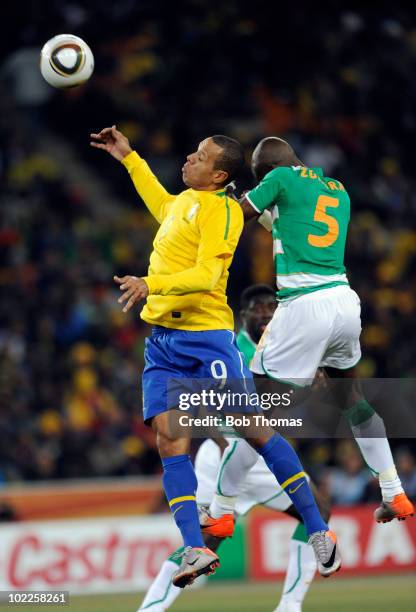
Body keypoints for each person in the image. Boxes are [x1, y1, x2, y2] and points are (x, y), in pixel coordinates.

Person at [90, 127, 341, 586]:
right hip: (163, 340)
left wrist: (152, 284)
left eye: (199, 156)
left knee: (255, 430)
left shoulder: (223, 211)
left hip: (206, 337)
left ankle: (320, 529)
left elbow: (207, 276)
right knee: (169, 441)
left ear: (218, 173)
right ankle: (194, 548)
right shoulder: (184, 202)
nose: (188, 158)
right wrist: (129, 158)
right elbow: (160, 203)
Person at [209, 136, 414, 528]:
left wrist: (221, 202)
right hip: (343, 301)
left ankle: (218, 512)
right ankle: (394, 492)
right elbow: (290, 225)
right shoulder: (337, 190)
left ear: (265, 171)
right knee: (354, 401)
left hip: (303, 303)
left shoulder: (278, 177)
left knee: (249, 416)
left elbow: (237, 217)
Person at [138, 284, 328, 612]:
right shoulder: (231, 347)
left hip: (257, 459)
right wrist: (224, 440)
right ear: (245, 316)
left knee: (319, 510)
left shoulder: (283, 350)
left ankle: (289, 606)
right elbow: (200, 403)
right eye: (260, 308)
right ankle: (150, 608)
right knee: (207, 540)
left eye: (272, 306)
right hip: (224, 455)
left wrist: (306, 387)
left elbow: (273, 405)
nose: (268, 313)